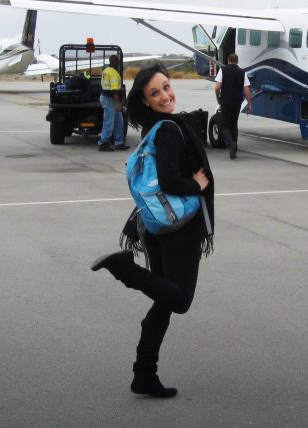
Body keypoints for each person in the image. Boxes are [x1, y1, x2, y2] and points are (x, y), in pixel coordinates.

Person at [90, 63, 215, 398]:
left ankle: (144, 373)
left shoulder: (154, 128)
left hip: (152, 224)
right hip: (177, 228)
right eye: (155, 93)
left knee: (162, 302)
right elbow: (172, 179)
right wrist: (197, 184)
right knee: (179, 300)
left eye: (166, 86)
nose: (165, 95)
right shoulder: (170, 130)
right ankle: (124, 268)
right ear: (145, 101)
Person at [213, 53, 252, 159]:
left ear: (228, 61)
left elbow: (217, 87)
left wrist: (218, 98)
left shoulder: (223, 70)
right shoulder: (242, 72)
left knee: (225, 125)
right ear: (237, 61)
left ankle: (231, 143)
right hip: (237, 103)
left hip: (225, 102)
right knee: (234, 125)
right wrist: (249, 103)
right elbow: (247, 89)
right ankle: (233, 149)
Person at [98, 55, 128, 151]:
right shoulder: (114, 73)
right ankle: (103, 143)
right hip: (109, 99)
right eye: (118, 62)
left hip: (105, 97)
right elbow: (114, 91)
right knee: (109, 121)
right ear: (116, 63)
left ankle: (119, 142)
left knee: (119, 121)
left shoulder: (106, 70)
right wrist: (118, 103)